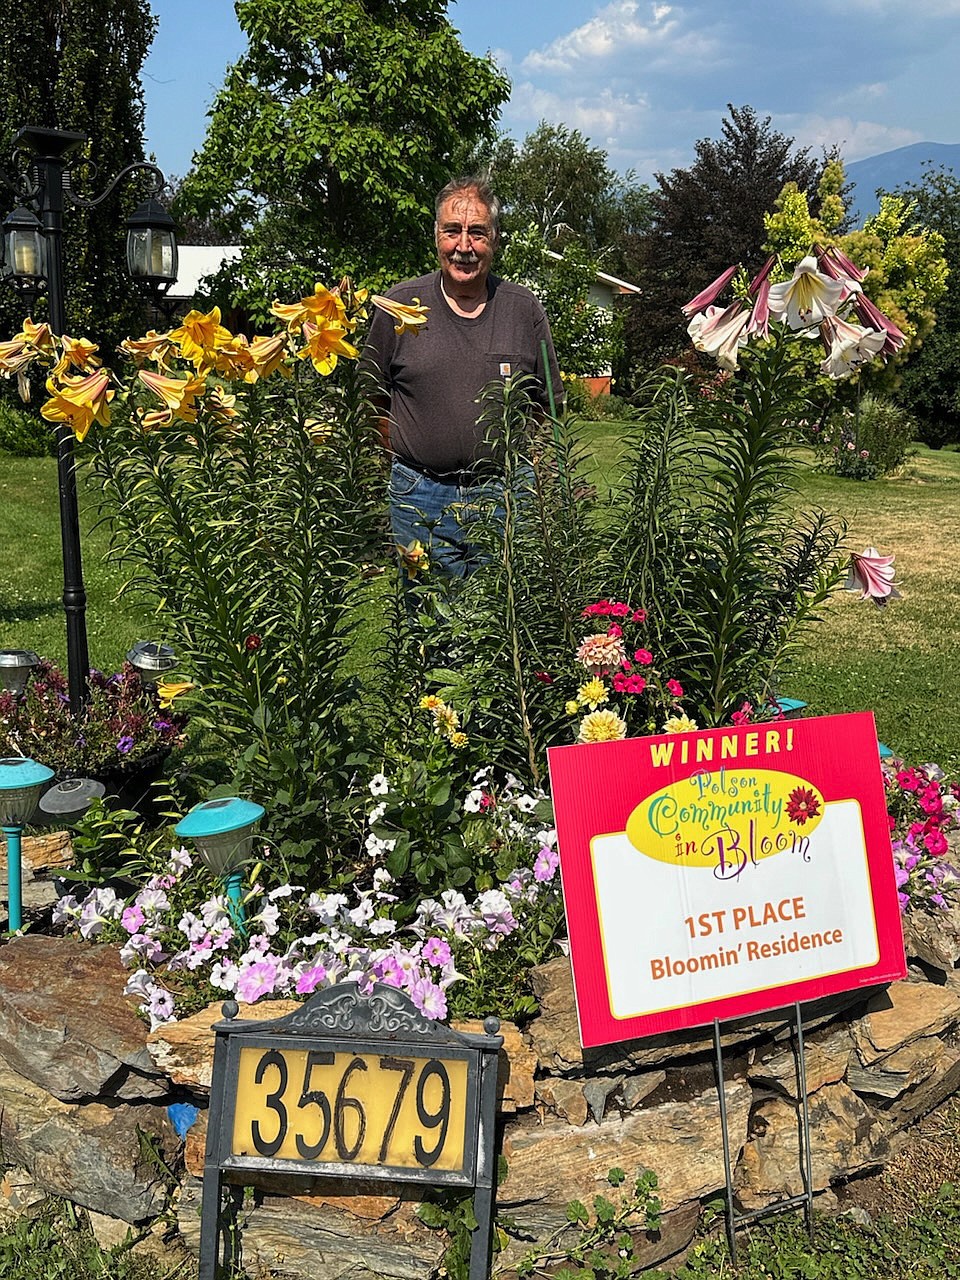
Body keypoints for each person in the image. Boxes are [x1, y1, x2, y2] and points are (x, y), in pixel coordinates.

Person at [362, 176, 563, 579]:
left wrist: (522, 461)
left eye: (477, 233)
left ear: (495, 240)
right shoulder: (399, 305)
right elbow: (370, 395)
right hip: (417, 492)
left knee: (503, 617)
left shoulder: (523, 309)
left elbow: (549, 403)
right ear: (436, 236)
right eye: (452, 231)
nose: (464, 247)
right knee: (425, 619)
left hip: (503, 493)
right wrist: (401, 454)